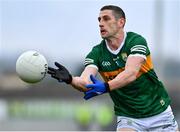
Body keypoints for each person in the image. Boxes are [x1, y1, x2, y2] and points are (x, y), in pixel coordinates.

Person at [48, 5, 179, 131]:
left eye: (106, 18)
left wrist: (106, 87)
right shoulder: (96, 53)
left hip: (159, 112)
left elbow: (131, 73)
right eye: (99, 20)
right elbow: (86, 82)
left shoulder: (136, 41)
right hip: (129, 116)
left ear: (121, 22)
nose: (100, 23)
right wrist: (71, 79)